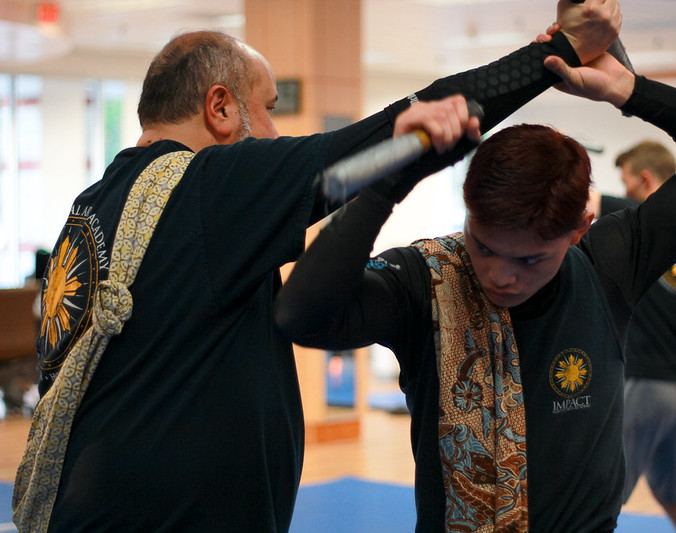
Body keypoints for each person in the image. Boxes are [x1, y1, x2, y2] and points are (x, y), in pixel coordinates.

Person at [11, 3, 623, 532]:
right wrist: (562, 50)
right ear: (220, 108)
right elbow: (382, 141)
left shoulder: (96, 204)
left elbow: (348, 175)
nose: (277, 131)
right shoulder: (204, 188)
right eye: (268, 107)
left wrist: (390, 157)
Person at [274, 38, 676, 533]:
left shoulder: (608, 266)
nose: (502, 274)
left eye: (532, 258)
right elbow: (302, 316)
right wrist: (387, 182)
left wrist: (631, 92)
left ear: (578, 230)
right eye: (484, 246)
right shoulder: (425, 279)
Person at [598, 141, 676, 533]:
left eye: (627, 182)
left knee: (600, 499)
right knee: (673, 494)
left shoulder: (640, 220)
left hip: (649, 385)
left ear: (645, 180)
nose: (624, 190)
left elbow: (582, 197)